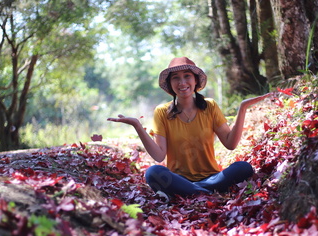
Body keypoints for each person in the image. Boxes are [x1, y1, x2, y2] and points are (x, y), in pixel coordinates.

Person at [107, 57, 270, 199]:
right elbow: (158, 156)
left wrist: (242, 109)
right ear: (170, 84)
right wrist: (137, 126)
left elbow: (230, 144)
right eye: (176, 78)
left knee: (243, 168)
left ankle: (195, 192)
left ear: (196, 81)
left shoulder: (210, 106)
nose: (182, 82)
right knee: (153, 173)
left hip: (212, 178)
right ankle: (206, 193)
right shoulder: (162, 112)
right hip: (179, 181)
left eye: (187, 76)